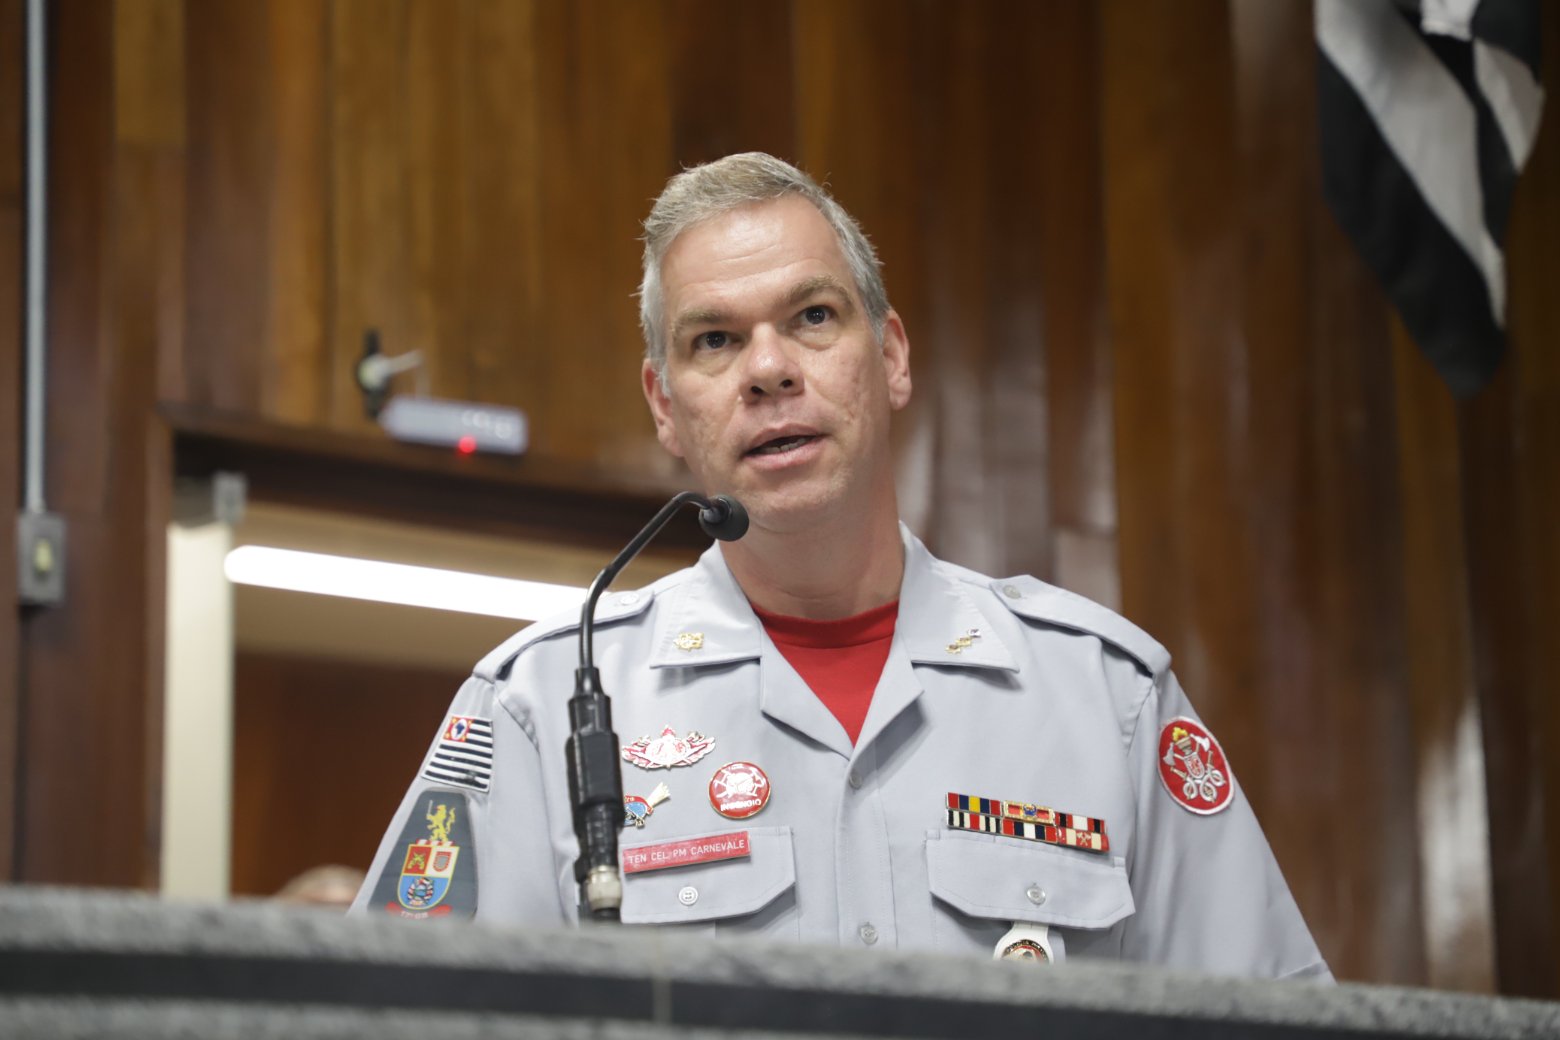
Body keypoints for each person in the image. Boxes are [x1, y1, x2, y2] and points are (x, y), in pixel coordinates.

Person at [353, 153, 1330, 980]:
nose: (768, 368)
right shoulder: (537, 705)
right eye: (714, 339)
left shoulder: (1105, 695)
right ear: (664, 404)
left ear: (891, 356)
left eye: (813, 317)